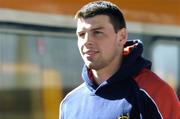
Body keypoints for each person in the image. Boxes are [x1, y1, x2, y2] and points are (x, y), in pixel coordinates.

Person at [59, 1, 179, 119]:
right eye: (81, 34)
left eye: (97, 32)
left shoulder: (155, 92)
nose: (86, 41)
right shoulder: (69, 104)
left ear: (121, 37)